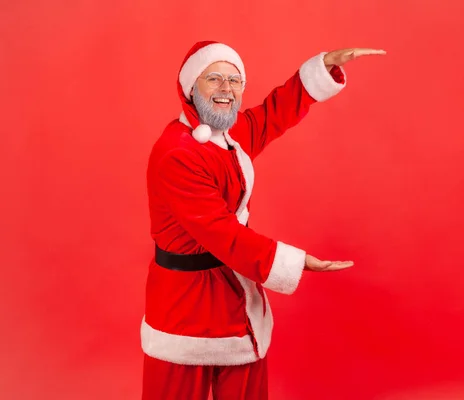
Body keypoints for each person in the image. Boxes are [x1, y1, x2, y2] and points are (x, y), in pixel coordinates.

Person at [141, 40, 385, 400]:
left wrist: (323, 68)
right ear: (191, 88)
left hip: (236, 297)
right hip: (184, 307)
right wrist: (296, 261)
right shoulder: (175, 154)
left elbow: (273, 113)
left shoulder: (228, 136)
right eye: (215, 79)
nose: (227, 89)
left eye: (235, 80)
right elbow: (220, 231)